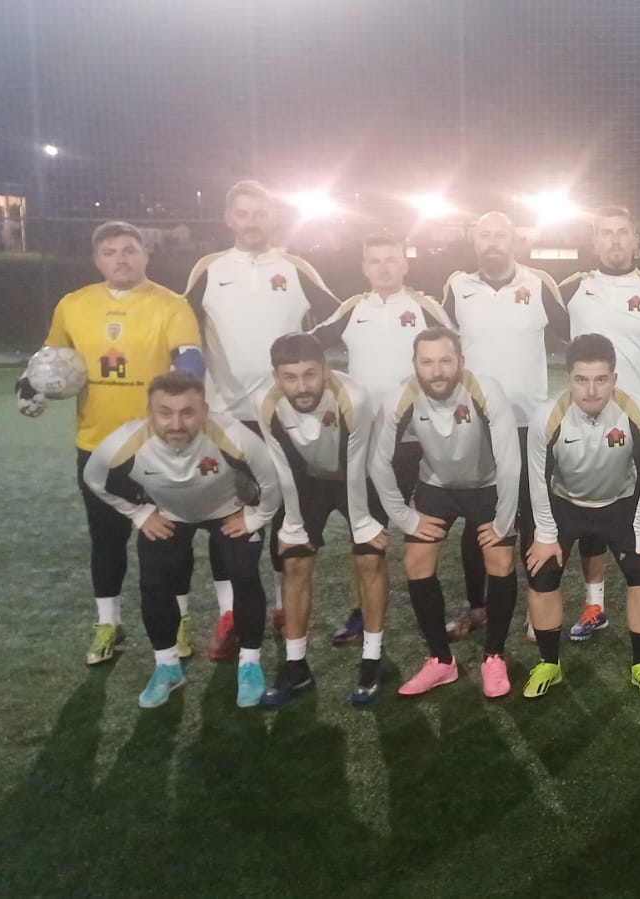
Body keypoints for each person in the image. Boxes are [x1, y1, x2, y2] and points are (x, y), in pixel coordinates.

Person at [16, 220, 203, 665]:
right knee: (106, 539)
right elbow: (49, 360)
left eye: (130, 250)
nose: (121, 259)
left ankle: (180, 621)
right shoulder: (73, 305)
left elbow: (190, 361)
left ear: (145, 255)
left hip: (158, 445)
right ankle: (107, 624)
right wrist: (27, 384)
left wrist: (187, 389)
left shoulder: (171, 305)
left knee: (170, 539)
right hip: (96, 442)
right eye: (110, 252)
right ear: (97, 260)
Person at [184, 180, 341, 660]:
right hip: (226, 416)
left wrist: (306, 369)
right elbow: (181, 329)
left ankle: (278, 607)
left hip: (285, 416)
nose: (251, 222)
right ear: (228, 218)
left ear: (272, 218)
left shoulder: (295, 268)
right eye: (243, 213)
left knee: (286, 513)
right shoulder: (209, 269)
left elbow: (337, 321)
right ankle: (229, 614)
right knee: (226, 518)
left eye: (260, 213)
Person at [82, 373, 281, 708]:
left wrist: (256, 518)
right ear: (149, 412)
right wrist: (138, 514)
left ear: (205, 411)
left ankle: (250, 665)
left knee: (244, 576)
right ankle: (167, 668)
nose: (176, 423)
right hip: (169, 514)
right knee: (154, 585)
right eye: (165, 412)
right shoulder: (123, 443)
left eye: (187, 412)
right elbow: (93, 478)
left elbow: (273, 480)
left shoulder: (233, 436)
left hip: (227, 510)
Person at [310, 233, 450, 646]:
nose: (384, 267)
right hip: (369, 443)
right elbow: (309, 347)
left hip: (419, 442)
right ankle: (362, 613)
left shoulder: (425, 308)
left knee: (423, 534)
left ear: (405, 264)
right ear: (365, 267)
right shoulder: (353, 308)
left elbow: (456, 358)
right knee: (367, 535)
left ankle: (429, 611)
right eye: (375, 260)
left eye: (392, 259)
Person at [369, 328, 522, 699]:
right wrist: (406, 518)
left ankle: (494, 657)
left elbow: (510, 461)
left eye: (445, 360)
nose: (436, 371)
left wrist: (503, 520)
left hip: (486, 484)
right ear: (415, 364)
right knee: (416, 561)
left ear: (460, 362)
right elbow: (377, 462)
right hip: (436, 485)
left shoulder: (485, 390)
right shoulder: (401, 396)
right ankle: (441, 661)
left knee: (501, 561)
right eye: (427, 362)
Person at [439, 211, 569, 641]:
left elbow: (575, 338)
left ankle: (536, 608)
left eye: (500, 235)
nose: (492, 242)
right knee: (477, 519)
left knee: (533, 518)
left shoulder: (539, 283)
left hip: (529, 425)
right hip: (475, 425)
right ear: (475, 242)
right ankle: (476, 607)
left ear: (515, 240)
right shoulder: (457, 287)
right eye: (484, 235)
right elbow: (439, 348)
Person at [560, 207, 640, 641]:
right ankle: (594, 604)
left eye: (622, 233)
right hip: (587, 426)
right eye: (606, 233)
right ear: (595, 241)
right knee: (589, 513)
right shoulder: (572, 290)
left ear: (636, 240)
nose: (614, 240)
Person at [520, 334, 640, 701]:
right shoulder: (546, 417)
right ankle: (549, 664)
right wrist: (545, 534)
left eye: (601, 379)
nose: (591, 390)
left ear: (614, 379)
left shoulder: (639, 412)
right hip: (565, 504)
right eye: (581, 380)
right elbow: (537, 479)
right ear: (568, 379)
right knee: (541, 571)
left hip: (619, 504)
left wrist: (639, 529)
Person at [252, 334, 389, 707]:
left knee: (369, 558)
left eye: (310, 374)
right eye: (290, 377)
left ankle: (372, 659)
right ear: (276, 377)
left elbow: (356, 465)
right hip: (308, 479)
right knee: (294, 562)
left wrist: (363, 525)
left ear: (326, 370)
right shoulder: (264, 401)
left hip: (359, 474)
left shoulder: (353, 397)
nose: (302, 386)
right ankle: (296, 667)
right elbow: (282, 466)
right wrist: (294, 527)